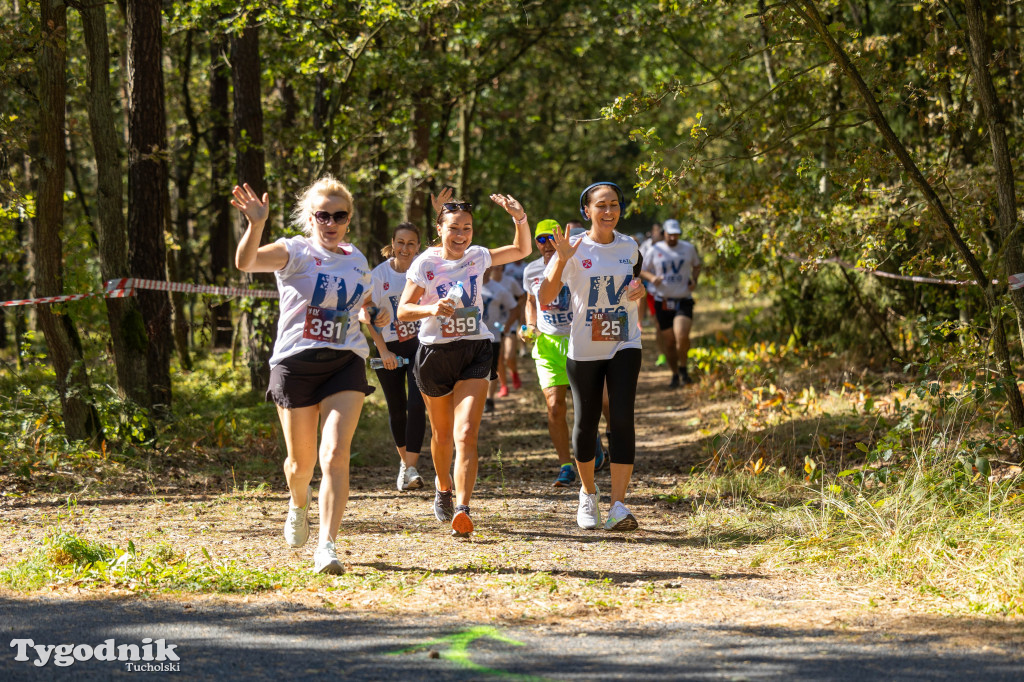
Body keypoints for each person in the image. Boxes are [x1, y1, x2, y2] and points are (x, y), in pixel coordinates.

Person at [232, 175, 375, 574]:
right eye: (323, 215)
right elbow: (245, 263)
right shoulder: (293, 250)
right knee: (302, 464)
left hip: (344, 361)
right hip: (295, 364)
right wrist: (255, 224)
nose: (331, 222)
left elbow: (358, 302)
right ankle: (298, 503)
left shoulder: (357, 258)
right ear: (310, 218)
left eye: (339, 215)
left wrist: (368, 312)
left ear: (348, 219)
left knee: (335, 454)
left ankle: (327, 546)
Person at [397, 189, 532, 538]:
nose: (461, 236)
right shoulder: (425, 263)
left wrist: (519, 217)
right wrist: (431, 309)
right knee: (442, 435)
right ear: (440, 229)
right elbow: (403, 310)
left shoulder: (478, 256)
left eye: (467, 228)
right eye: (454, 228)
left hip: (475, 348)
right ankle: (443, 489)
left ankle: (463, 508)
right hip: (435, 354)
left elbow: (521, 250)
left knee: (466, 433)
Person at [540, 182, 647, 531]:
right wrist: (562, 260)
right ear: (587, 211)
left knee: (621, 419)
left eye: (614, 204)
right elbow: (545, 295)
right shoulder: (572, 248)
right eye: (601, 205)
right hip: (585, 347)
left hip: (624, 341)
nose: (608, 211)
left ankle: (618, 504)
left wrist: (638, 291)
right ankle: (588, 494)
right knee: (586, 423)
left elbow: (634, 284)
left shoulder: (629, 246)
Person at [521, 219, 607, 487]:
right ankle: (566, 466)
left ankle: (594, 444)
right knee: (555, 406)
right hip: (547, 345)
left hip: (579, 339)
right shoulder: (531, 271)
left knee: (590, 403)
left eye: (552, 238)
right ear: (536, 243)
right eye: (541, 240)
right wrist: (531, 325)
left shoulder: (578, 262)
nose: (547, 245)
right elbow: (530, 302)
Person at [366, 223, 428, 491]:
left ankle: (411, 468)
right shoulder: (379, 275)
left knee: (417, 404)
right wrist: (383, 350)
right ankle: (405, 464)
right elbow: (368, 315)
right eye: (400, 242)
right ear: (392, 243)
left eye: (411, 243)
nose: (405, 248)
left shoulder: (424, 270)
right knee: (397, 407)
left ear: (418, 246)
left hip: (418, 344)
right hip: (388, 345)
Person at [642, 218, 702, 387]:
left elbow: (697, 266)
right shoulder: (655, 250)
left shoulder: (688, 248)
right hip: (663, 301)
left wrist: (694, 280)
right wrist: (652, 278)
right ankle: (675, 373)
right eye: (670, 235)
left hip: (683, 299)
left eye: (676, 235)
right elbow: (642, 270)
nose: (673, 238)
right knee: (668, 343)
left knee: (681, 336)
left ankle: (684, 368)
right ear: (664, 234)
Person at [480, 266, 519, 413]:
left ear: (491, 269)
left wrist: (507, 327)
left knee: (491, 369)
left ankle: (489, 400)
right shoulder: (466, 285)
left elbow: (514, 308)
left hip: (493, 336)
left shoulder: (499, 289)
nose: (483, 270)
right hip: (471, 336)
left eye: (486, 267)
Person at [490, 264, 526, 395]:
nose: (496, 268)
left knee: (509, 355)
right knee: (498, 358)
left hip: (509, 323)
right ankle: (504, 385)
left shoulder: (510, 281)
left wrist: (516, 308)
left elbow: (522, 296)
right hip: (493, 326)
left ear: (503, 268)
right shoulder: (485, 283)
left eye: (498, 266)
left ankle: (514, 372)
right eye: (493, 266)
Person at [640, 223, 667, 366]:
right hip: (653, 292)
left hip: (673, 294)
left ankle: (670, 350)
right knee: (658, 324)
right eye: (654, 231)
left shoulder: (675, 248)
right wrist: (651, 278)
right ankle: (662, 354)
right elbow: (640, 268)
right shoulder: (647, 247)